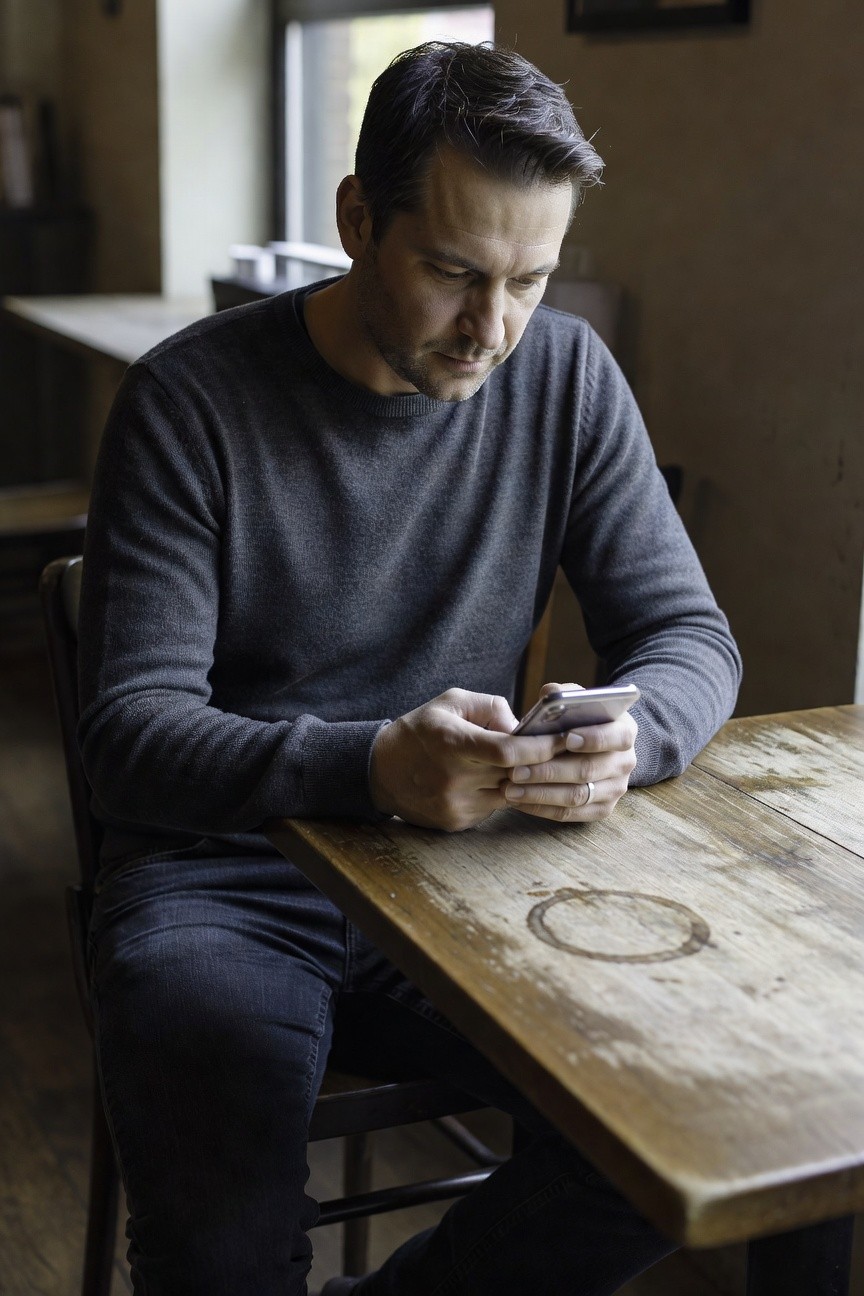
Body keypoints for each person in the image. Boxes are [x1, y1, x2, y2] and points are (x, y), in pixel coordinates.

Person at [77, 40, 741, 1296]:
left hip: (464, 877)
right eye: (452, 272)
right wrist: (373, 762)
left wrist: (632, 735)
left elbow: (691, 637)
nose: (492, 329)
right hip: (228, 871)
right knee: (218, 1254)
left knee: (684, 1137)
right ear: (355, 219)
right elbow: (131, 735)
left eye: (530, 281)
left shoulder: (565, 377)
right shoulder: (188, 402)